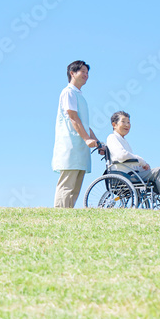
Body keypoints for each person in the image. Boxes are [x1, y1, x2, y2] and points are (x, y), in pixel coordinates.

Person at [106, 111, 160, 211]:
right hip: (124, 176)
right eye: (123, 122)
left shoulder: (123, 140)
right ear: (114, 125)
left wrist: (141, 166)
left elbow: (128, 161)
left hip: (131, 174)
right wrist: (142, 161)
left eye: (129, 122)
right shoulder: (113, 137)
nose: (127, 125)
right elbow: (121, 155)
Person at [52, 60, 103, 208]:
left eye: (87, 73)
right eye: (83, 72)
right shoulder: (68, 92)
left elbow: (84, 124)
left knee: (75, 188)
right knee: (67, 186)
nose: (86, 75)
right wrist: (87, 139)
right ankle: (59, 217)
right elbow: (73, 117)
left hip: (80, 147)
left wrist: (97, 142)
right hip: (70, 145)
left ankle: (67, 218)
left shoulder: (80, 96)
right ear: (72, 73)